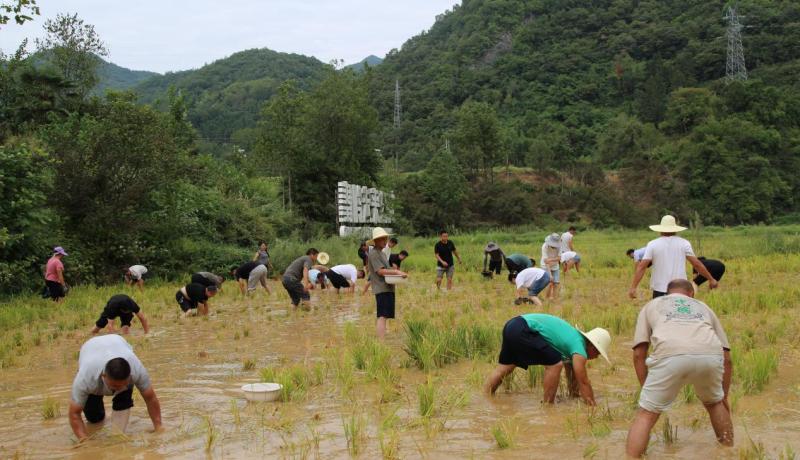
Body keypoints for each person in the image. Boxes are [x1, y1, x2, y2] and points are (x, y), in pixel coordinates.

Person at [625, 279, 733, 457]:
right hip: (710, 354)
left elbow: (639, 353)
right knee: (715, 404)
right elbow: (727, 357)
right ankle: (730, 452)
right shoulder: (703, 307)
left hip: (670, 354)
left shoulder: (652, 305)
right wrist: (724, 396)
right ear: (691, 294)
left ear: (668, 294)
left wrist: (645, 388)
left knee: (646, 414)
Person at [484, 313, 611, 406]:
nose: (596, 357)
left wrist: (574, 395)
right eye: (598, 353)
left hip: (513, 325)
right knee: (555, 364)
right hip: (524, 329)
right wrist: (592, 406)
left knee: (505, 367)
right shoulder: (579, 348)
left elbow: (572, 374)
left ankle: (485, 398)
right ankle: (547, 406)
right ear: (593, 346)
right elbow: (583, 381)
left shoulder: (573, 341)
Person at [69, 334, 161, 442]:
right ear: (104, 376)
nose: (119, 388)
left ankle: (117, 437)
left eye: (123, 383)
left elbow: (150, 398)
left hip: (117, 341)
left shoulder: (136, 369)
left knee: (123, 399)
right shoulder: (86, 378)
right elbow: (74, 413)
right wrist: (84, 442)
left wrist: (159, 427)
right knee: (94, 419)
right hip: (90, 348)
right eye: (115, 386)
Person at [629, 215, 719, 299]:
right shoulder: (684, 243)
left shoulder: (653, 244)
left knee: (661, 315)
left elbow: (642, 267)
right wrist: (711, 279)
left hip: (660, 289)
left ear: (660, 230)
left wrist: (633, 288)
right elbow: (696, 264)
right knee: (681, 314)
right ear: (675, 230)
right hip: (680, 289)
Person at [367, 227, 408, 338]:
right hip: (381, 288)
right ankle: (381, 343)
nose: (385, 241)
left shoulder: (382, 253)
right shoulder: (374, 254)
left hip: (387, 287)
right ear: (375, 241)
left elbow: (387, 268)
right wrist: (396, 271)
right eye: (382, 239)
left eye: (385, 239)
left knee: (385, 315)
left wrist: (395, 271)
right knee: (382, 316)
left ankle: (383, 339)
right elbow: (380, 271)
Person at [541, 233, 562, 299]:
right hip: (545, 266)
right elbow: (546, 262)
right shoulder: (545, 246)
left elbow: (559, 258)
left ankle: (554, 298)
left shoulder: (559, 246)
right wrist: (550, 275)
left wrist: (550, 259)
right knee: (549, 283)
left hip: (555, 266)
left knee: (556, 283)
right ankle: (547, 298)